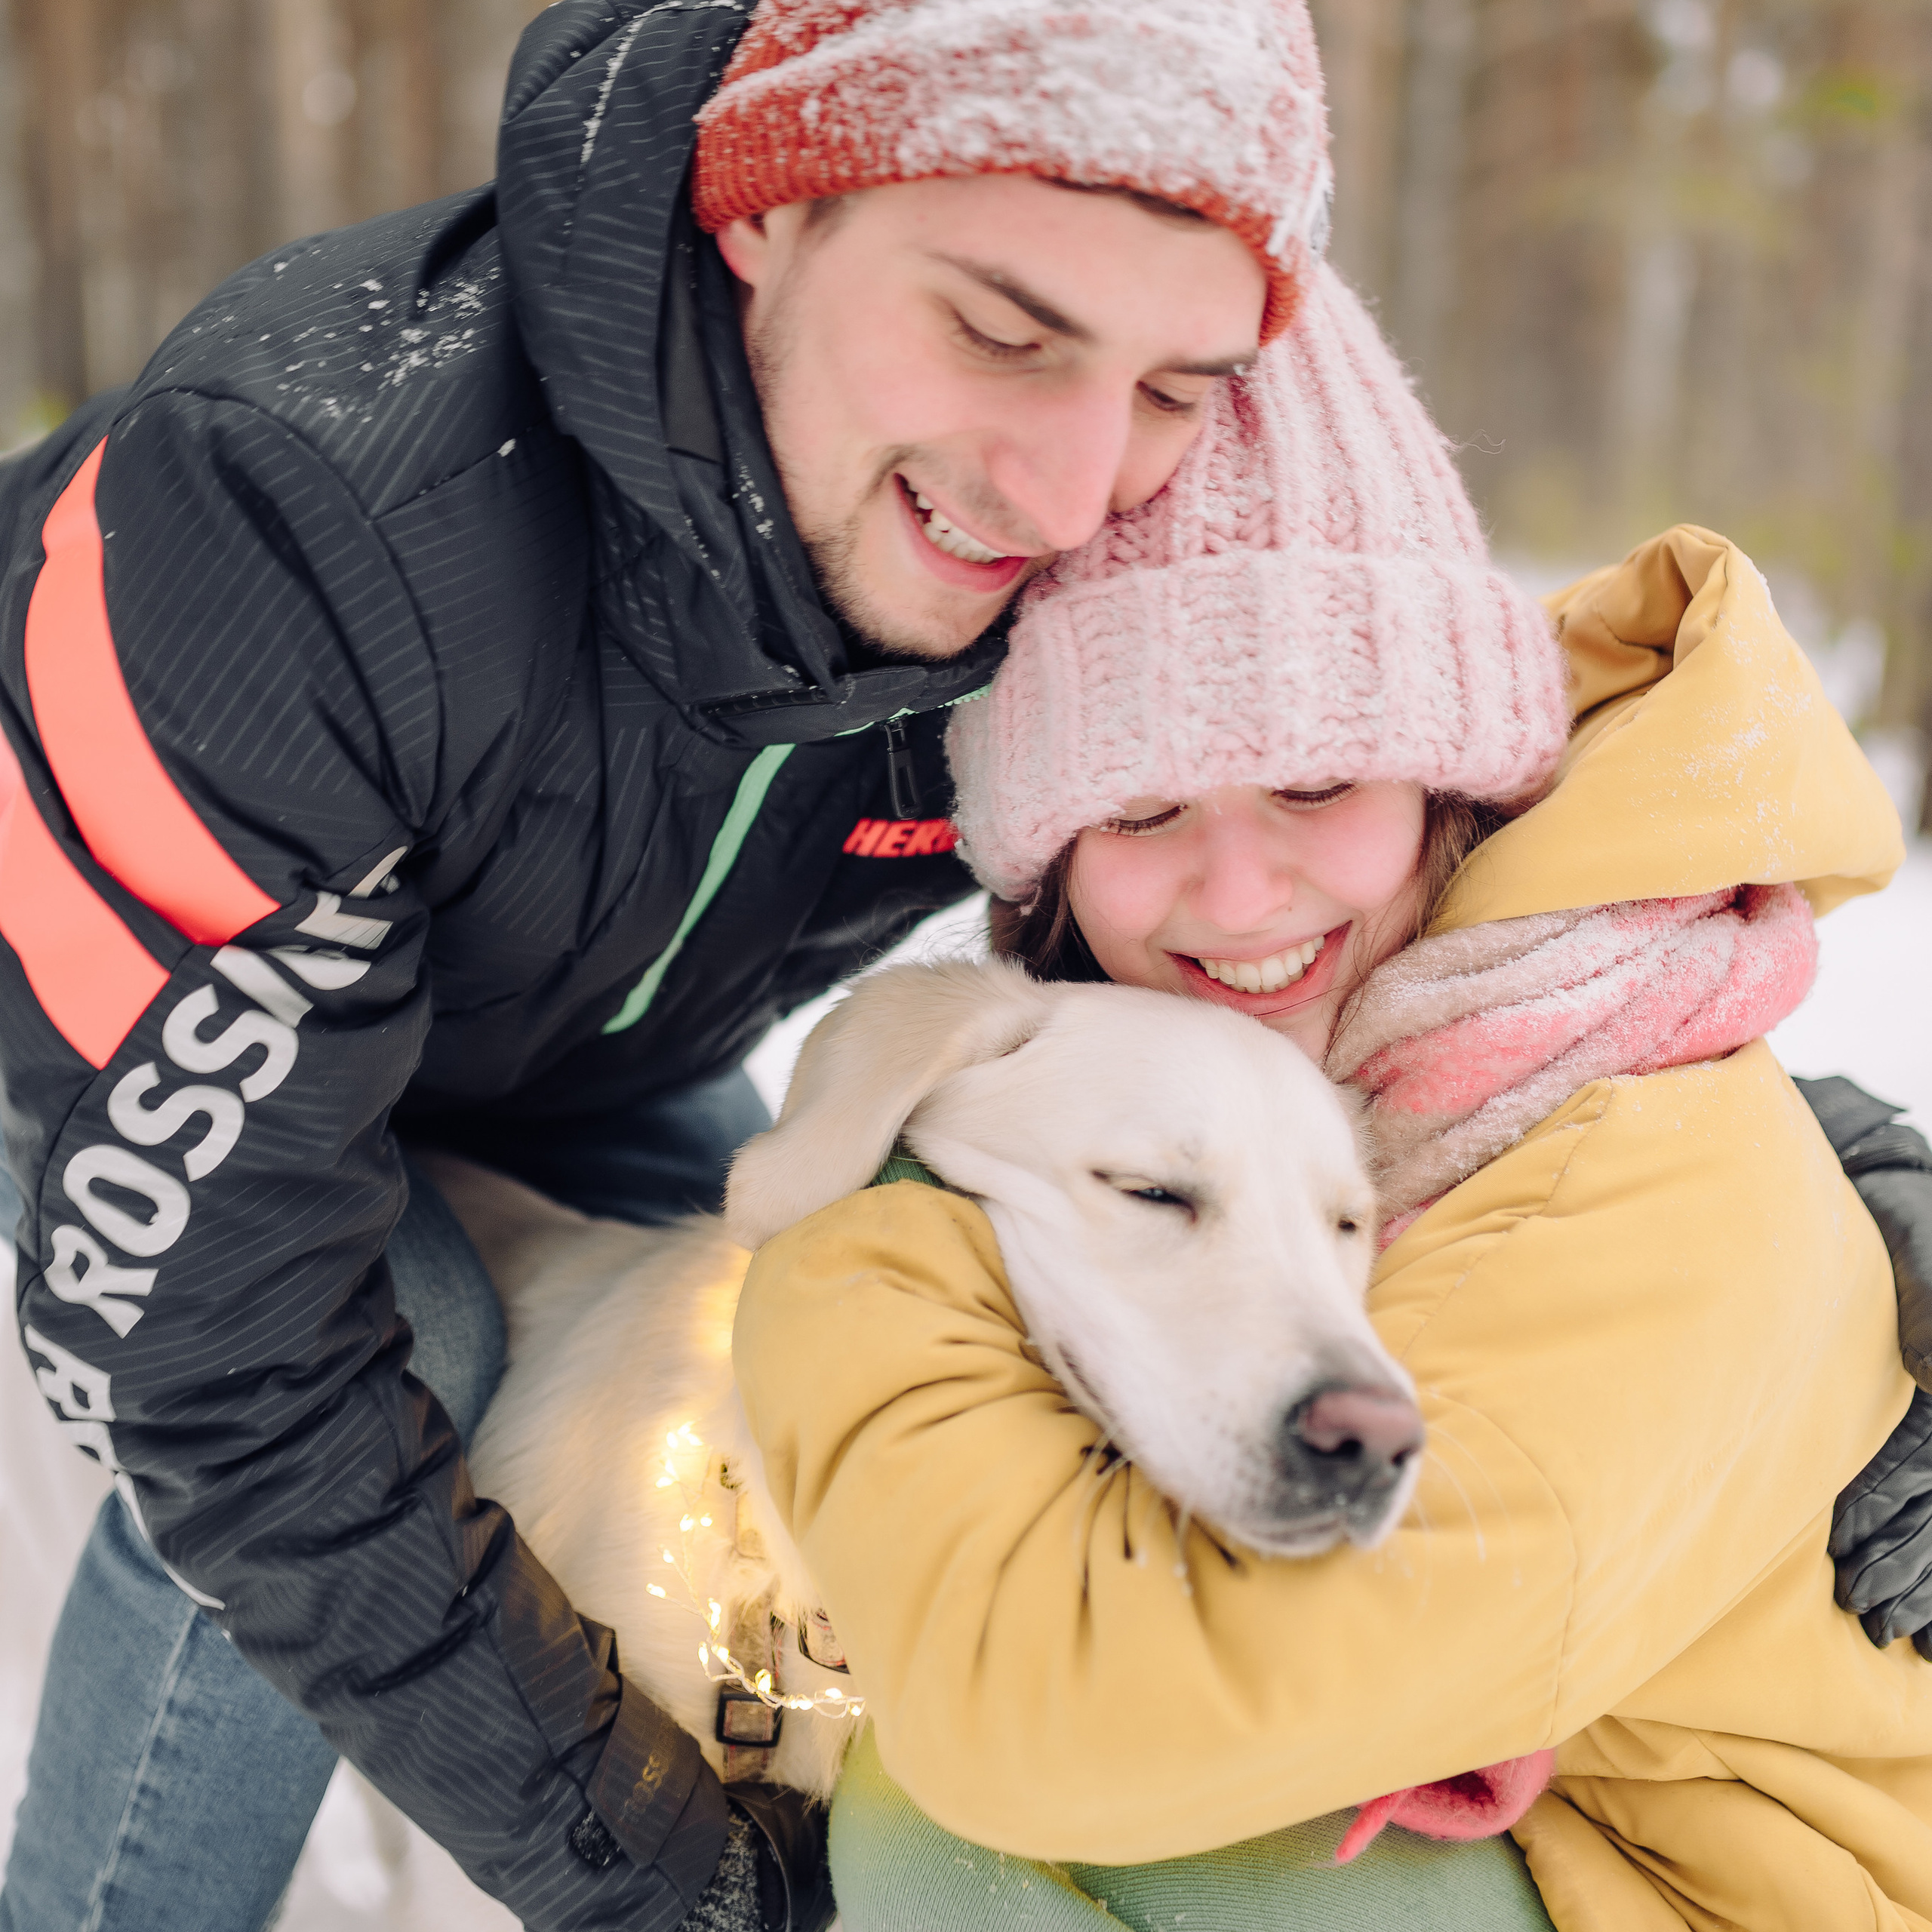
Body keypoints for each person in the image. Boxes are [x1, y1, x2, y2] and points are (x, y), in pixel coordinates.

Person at [0, 2, 1337, 1927]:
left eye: (1172, 387)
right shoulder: (292, 507)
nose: (1067, 492)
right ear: (761, 211)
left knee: (795, 1293)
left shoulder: (1060, 537)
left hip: (545, 1049)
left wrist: (1888, 1225)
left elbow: (1415, 892)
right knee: (405, 1358)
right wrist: (655, 1878)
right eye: (997, 327)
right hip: (96, 1011)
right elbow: (230, 1368)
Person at [728, 266, 1932, 1927]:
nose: (1237, 889)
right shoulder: (1359, 1055)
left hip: (1733, 1891)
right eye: (1141, 804)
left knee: (964, 1816)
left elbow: (1066, 1714)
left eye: (1314, 779)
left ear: (1446, 792)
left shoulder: (1636, 1146)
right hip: (1539, 1820)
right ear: (1049, 868)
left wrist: (856, 1247)